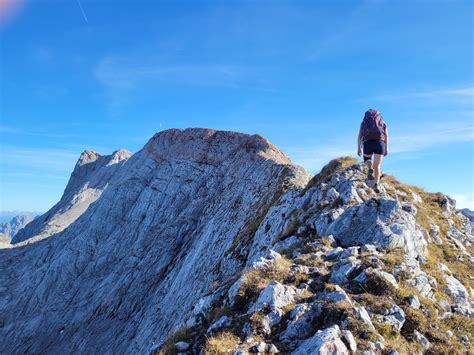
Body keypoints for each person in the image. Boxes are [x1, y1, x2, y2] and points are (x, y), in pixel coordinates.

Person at [357, 109, 389, 193]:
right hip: (380, 143)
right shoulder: (383, 123)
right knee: (377, 166)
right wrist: (386, 148)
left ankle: (370, 167)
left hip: (368, 143)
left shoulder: (363, 123)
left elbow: (360, 135)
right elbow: (386, 136)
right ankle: (376, 183)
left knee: (367, 160)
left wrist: (358, 148)